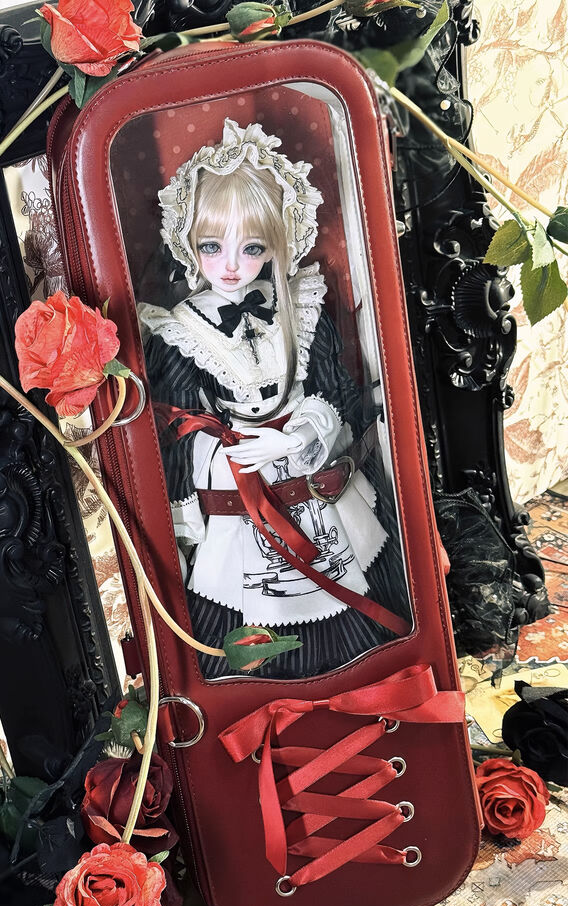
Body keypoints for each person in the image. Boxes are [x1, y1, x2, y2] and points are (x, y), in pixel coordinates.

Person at [138, 119, 410, 680]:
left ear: (277, 244)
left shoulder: (299, 305)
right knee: (246, 610)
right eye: (212, 246)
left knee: (351, 582)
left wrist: (297, 436)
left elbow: (335, 391)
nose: (231, 266)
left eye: (252, 247)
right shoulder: (179, 331)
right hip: (236, 478)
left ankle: (364, 680)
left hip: (307, 469)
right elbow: (176, 431)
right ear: (187, 242)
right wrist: (215, 470)